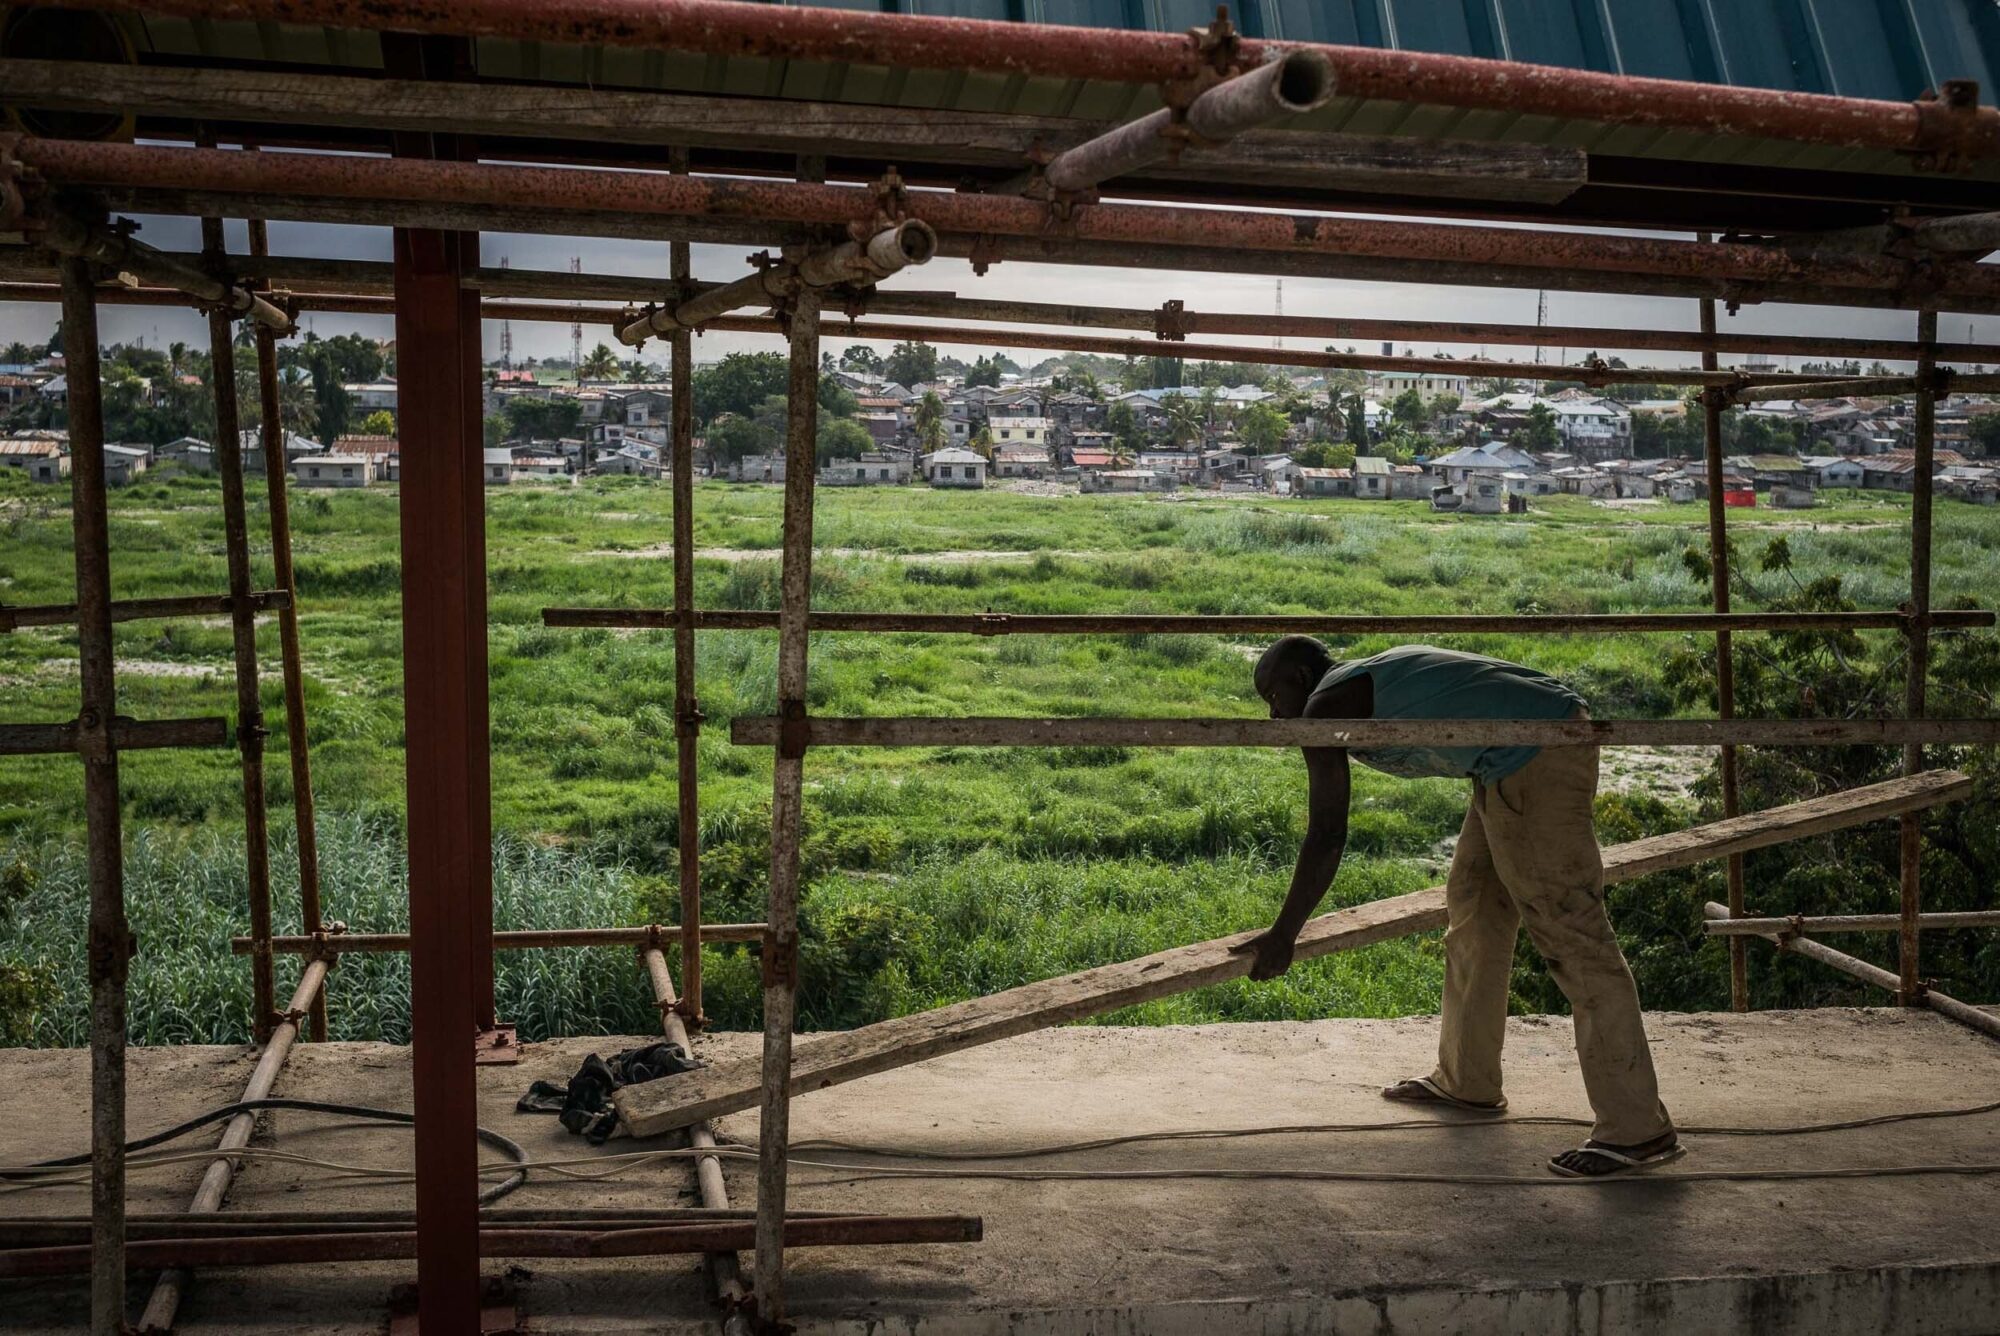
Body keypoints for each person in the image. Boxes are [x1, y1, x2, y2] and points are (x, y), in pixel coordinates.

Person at [1232, 638, 1680, 1178]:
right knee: (1475, 909)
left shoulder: (1326, 708)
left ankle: (1636, 1129)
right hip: (1507, 759)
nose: (1274, 715)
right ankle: (1467, 1080)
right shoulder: (1357, 680)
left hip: (1541, 749)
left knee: (1572, 933)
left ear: (1302, 677)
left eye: (1274, 695)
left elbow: (1328, 833)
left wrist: (1285, 933)